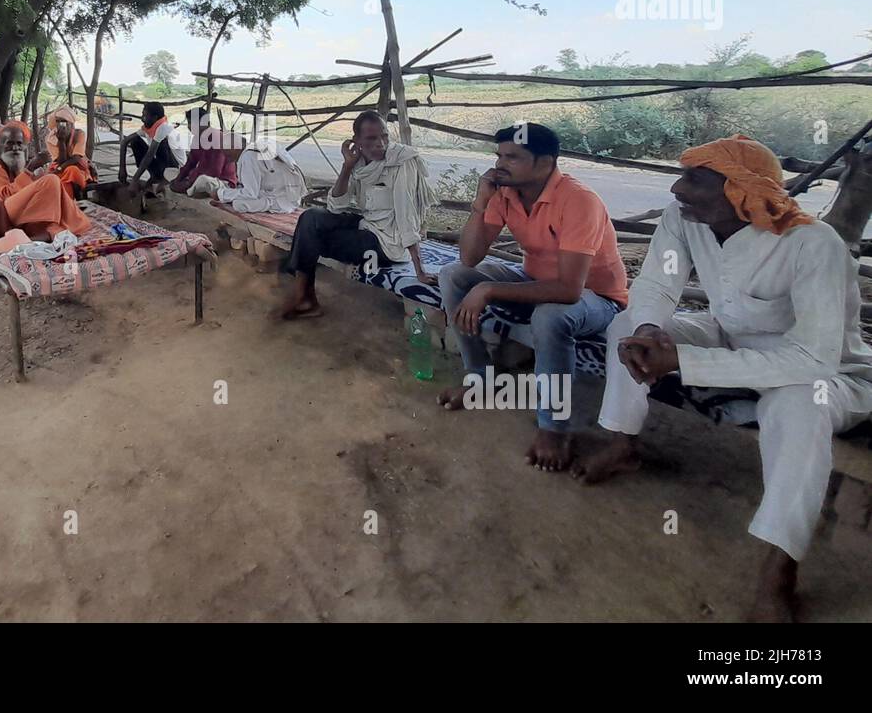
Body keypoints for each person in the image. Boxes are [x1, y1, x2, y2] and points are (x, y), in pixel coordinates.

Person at [573, 135, 872, 622]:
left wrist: (685, 363)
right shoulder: (685, 221)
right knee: (626, 327)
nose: (677, 188)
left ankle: (779, 569)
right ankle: (622, 443)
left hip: (825, 372)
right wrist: (650, 329)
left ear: (741, 190)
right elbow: (656, 283)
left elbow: (814, 359)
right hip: (731, 338)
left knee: (798, 405)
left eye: (694, 179)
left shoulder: (813, 245)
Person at [438, 122, 628, 472]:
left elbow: (570, 290)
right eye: (499, 156)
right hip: (536, 280)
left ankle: (554, 427)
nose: (500, 164)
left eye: (513, 157)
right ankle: (480, 378)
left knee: (550, 316)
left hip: (598, 298)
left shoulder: (578, 200)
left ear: (545, 164)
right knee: (453, 275)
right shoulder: (505, 192)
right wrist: (480, 206)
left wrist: (489, 288)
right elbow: (469, 258)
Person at [276, 110, 432, 320]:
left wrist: (419, 269)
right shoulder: (358, 163)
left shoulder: (402, 161)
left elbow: (407, 213)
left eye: (384, 136)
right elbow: (336, 206)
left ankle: (304, 297)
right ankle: (305, 296)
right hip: (365, 224)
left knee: (312, 239)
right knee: (310, 217)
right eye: (371, 138)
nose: (380, 144)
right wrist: (347, 166)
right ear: (356, 141)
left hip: (386, 243)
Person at [0, 120, 91, 245]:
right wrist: (30, 169)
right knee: (51, 181)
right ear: (1, 145)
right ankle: (55, 228)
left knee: (54, 185)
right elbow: (5, 196)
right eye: (10, 143)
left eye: (19, 143)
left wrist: (38, 177)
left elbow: (31, 194)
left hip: (20, 213)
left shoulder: (18, 167)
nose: (15, 148)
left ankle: (40, 235)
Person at [210, 137, 307, 213]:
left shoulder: (248, 157)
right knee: (238, 196)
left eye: (227, 154)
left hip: (283, 201)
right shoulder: (253, 149)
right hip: (289, 194)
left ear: (235, 148)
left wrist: (221, 194)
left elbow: (250, 194)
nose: (227, 158)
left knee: (238, 204)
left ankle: (269, 204)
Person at [119, 102, 187, 192]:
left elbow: (150, 155)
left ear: (154, 117)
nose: (142, 119)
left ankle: (164, 179)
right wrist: (122, 169)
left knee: (160, 144)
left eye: (145, 116)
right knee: (135, 142)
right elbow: (125, 142)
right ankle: (155, 176)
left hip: (176, 170)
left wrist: (134, 180)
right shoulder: (150, 127)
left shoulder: (163, 128)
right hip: (164, 166)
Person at [170, 108, 239, 196]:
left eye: (195, 123)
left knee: (203, 181)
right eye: (189, 123)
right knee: (168, 172)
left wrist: (189, 181)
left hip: (222, 181)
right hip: (199, 176)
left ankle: (189, 190)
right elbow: (190, 162)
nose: (190, 126)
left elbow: (214, 172)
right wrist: (178, 179)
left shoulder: (216, 138)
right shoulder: (196, 138)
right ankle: (191, 188)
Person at [40, 106, 97, 198]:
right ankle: (67, 201)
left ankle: (75, 198)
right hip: (59, 166)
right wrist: (61, 141)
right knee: (58, 180)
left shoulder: (79, 134)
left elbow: (76, 158)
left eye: (63, 121)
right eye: (58, 121)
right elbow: (60, 161)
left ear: (70, 123)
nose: (60, 124)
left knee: (72, 170)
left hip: (78, 167)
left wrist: (59, 169)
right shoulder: (51, 138)